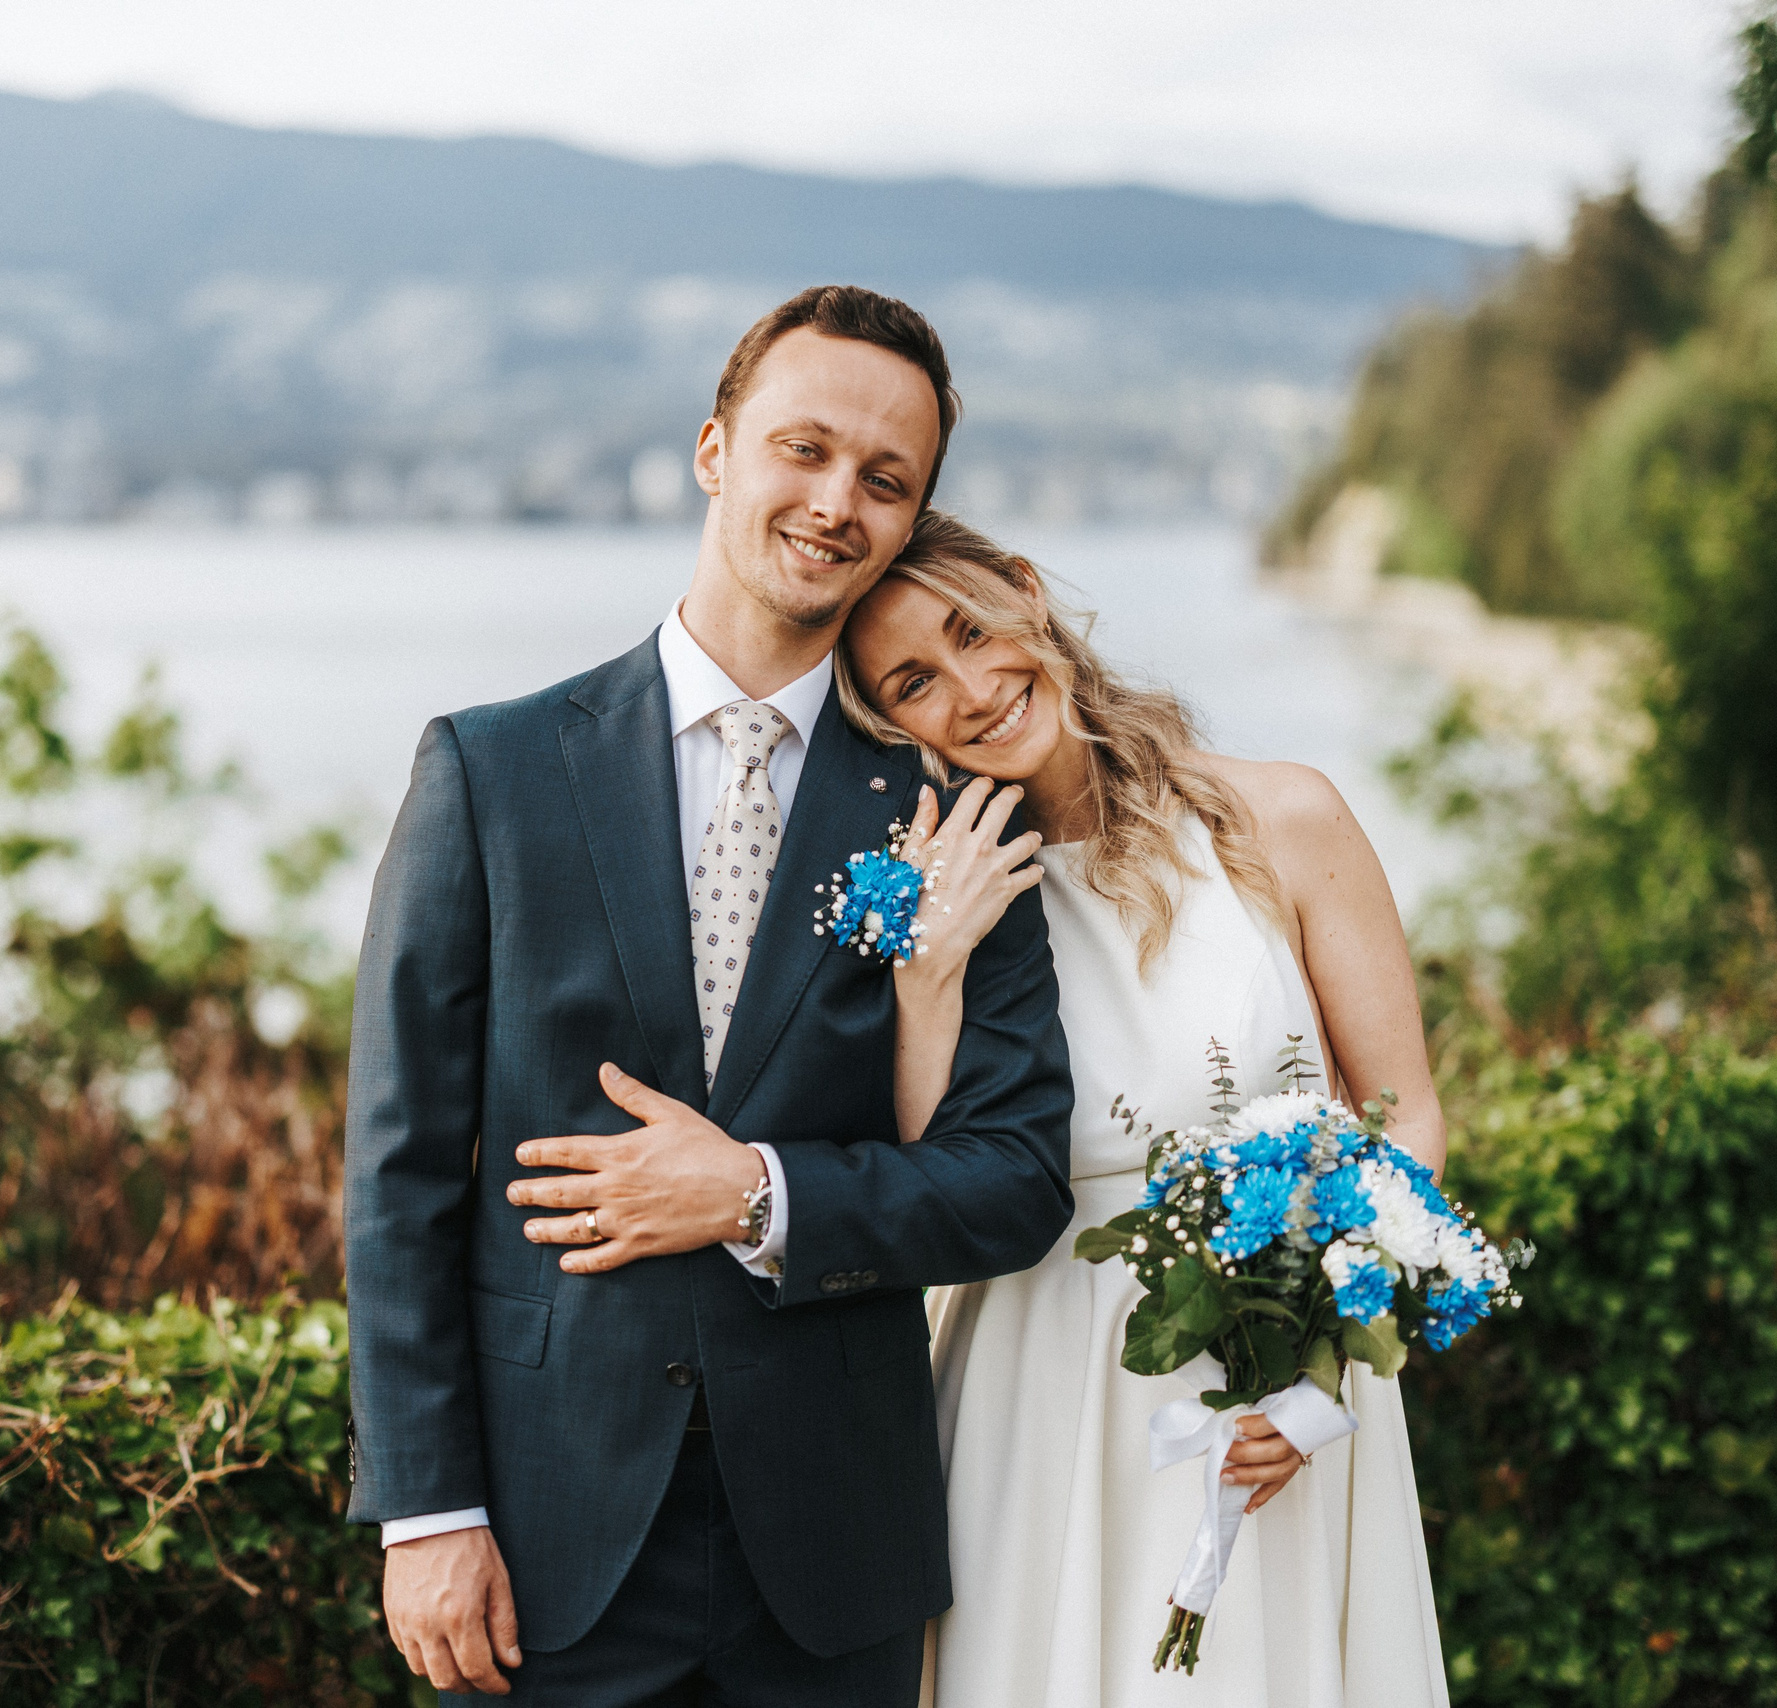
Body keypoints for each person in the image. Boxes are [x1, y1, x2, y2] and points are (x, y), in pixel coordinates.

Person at [344, 287, 1076, 1704]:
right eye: (804, 449)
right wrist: (428, 1515)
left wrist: (756, 1194)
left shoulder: (949, 811)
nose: (835, 501)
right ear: (713, 451)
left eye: (886, 480)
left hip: (834, 1561)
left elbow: (1010, 1180)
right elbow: (399, 1175)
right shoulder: (489, 774)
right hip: (543, 1552)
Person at [838, 511, 1454, 1708]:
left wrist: (1322, 1365)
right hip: (1036, 1412)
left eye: (974, 630)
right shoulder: (932, 900)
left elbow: (1405, 1118)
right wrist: (926, 970)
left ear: (1028, 593)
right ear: (886, 722)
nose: (970, 689)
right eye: (915, 680)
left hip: (1273, 1400)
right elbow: (924, 1174)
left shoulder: (1284, 819)